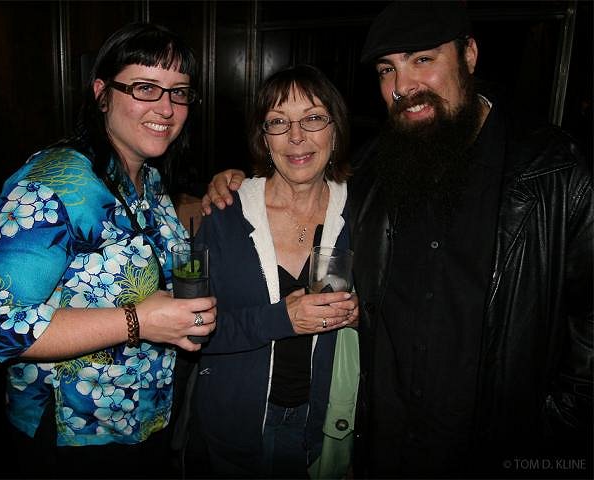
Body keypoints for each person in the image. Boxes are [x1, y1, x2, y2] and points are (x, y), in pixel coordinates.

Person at [201, 2, 593, 478]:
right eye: (388, 69)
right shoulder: (375, 173)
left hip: (490, 446)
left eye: (422, 59)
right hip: (383, 442)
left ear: (469, 55)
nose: (403, 86)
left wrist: (554, 431)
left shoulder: (553, 173)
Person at [0, 22, 216, 479]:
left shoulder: (147, 176)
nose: (166, 108)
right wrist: (138, 321)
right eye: (145, 88)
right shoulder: (53, 184)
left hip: (143, 420)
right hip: (73, 436)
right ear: (102, 93)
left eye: (178, 92)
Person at [189, 64, 360, 478]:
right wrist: (281, 319)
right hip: (235, 428)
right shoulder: (224, 215)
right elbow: (190, 331)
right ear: (263, 138)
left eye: (313, 118)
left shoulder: (363, 213)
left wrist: (361, 314)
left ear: (335, 130)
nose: (296, 136)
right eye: (279, 122)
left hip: (322, 428)